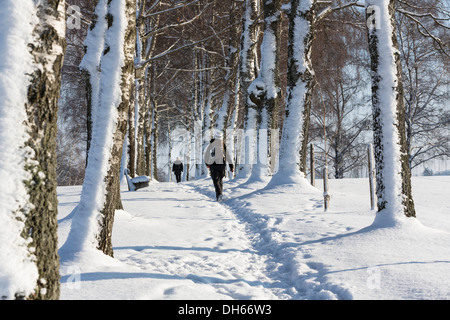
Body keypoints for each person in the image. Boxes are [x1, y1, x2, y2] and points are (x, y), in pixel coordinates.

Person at [204, 132, 234, 201]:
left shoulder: (211, 144)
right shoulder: (223, 144)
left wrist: (207, 163)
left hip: (213, 164)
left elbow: (207, 154)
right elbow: (227, 155)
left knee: (215, 180)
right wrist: (231, 165)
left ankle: (219, 195)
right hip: (222, 164)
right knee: (220, 180)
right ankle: (220, 196)